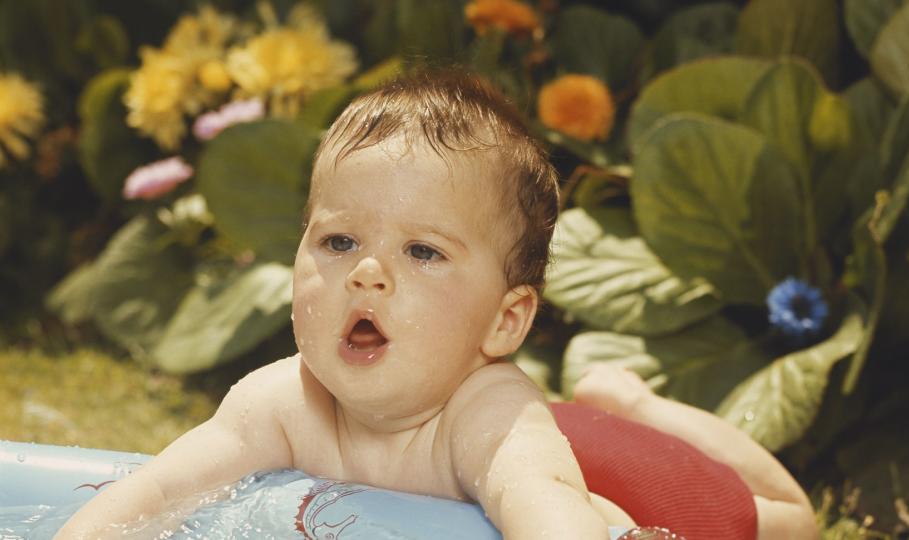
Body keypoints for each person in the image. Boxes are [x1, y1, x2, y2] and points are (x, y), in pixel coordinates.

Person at [57, 70, 816, 540]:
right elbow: (155, 491)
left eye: (423, 252)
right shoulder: (281, 399)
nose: (368, 275)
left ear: (505, 321)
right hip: (569, 437)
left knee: (788, 521)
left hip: (638, 483)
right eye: (339, 242)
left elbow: (542, 503)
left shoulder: (489, 414)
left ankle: (638, 401)